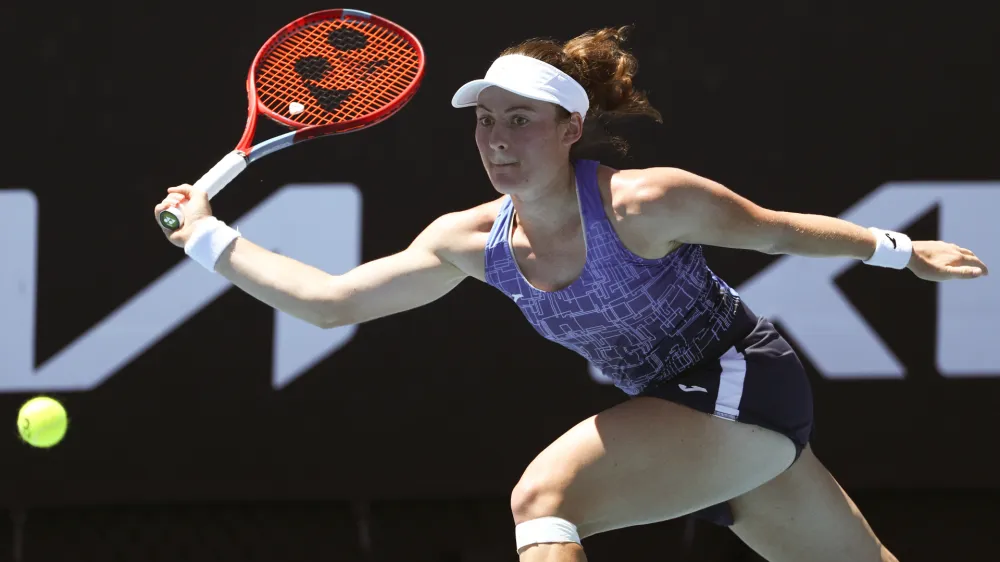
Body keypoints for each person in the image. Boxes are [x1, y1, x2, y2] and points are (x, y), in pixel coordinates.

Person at [155, 26, 987, 562]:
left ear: (570, 130)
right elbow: (330, 300)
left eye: (521, 120)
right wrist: (204, 237)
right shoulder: (468, 241)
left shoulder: (646, 203)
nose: (498, 139)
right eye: (486, 120)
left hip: (742, 384)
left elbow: (778, 231)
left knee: (545, 499)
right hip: (685, 417)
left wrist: (902, 250)